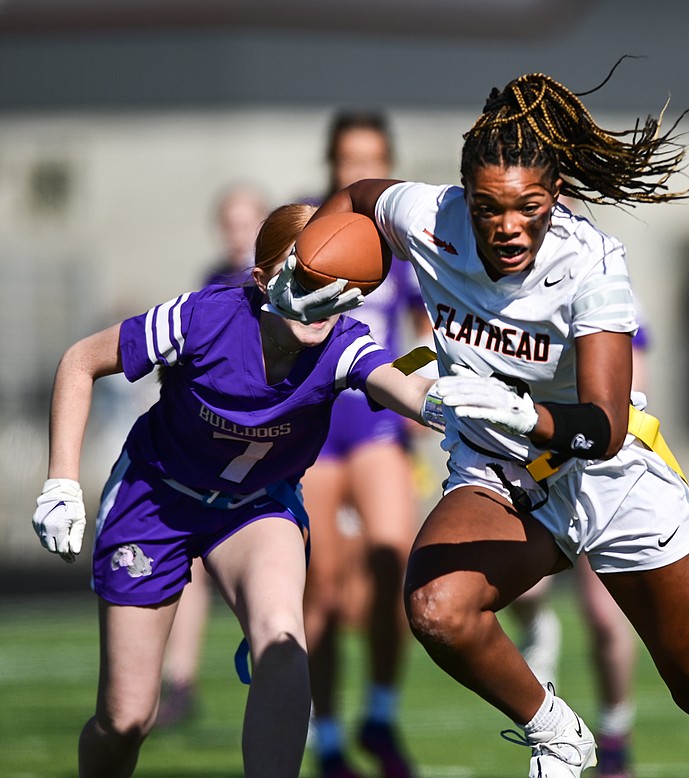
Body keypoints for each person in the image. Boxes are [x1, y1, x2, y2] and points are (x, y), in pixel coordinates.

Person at [300, 70, 689, 777]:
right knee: (438, 608)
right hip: (501, 479)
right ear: (463, 197)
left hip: (607, 477)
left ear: (555, 196)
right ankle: (556, 731)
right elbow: (357, 200)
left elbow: (603, 426)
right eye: (487, 208)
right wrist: (307, 265)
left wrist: (522, 412)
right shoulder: (429, 217)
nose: (506, 226)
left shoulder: (590, 263)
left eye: (526, 207)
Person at [30, 201, 455, 778]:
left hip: (255, 506)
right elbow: (81, 361)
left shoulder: (343, 342)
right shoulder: (203, 318)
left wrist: (458, 398)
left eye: (338, 279)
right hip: (156, 496)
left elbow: (401, 382)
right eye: (305, 275)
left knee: (282, 636)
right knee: (126, 718)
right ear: (263, 280)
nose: (323, 293)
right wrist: (60, 481)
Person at [299, 110, 430, 778]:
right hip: (316, 429)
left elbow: (428, 339)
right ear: (331, 161)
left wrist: (395, 386)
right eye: (350, 158)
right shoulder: (301, 232)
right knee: (319, 586)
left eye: (372, 158)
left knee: (394, 562)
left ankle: (379, 713)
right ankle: (325, 737)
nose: (359, 170)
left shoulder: (401, 242)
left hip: (374, 424)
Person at [506, 320, 651, 778]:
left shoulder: (601, 285)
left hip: (598, 472)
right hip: (534, 466)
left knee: (605, 617)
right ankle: (541, 639)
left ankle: (614, 740)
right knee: (523, 595)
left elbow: (622, 402)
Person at [155, 181, 270, 730]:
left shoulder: (294, 283)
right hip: (220, 455)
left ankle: (284, 660)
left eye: (245, 221)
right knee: (195, 567)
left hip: (291, 449)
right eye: (228, 222)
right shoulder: (211, 285)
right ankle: (181, 680)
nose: (236, 234)